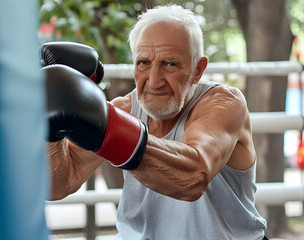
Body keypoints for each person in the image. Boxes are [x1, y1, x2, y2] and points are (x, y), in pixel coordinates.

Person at [44, 4, 267, 240]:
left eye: (170, 64)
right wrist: (49, 129)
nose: (154, 81)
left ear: (197, 70)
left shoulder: (223, 103)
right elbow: (58, 185)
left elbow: (193, 176)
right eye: (143, 63)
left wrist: (107, 132)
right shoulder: (124, 110)